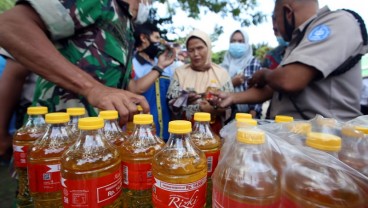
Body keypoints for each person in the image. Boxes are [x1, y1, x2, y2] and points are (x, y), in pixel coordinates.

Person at [0, 0, 174, 125]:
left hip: (94, 144)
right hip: (58, 136)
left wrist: (160, 66)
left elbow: (131, 88)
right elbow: (9, 25)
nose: (149, 4)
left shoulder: (126, 29)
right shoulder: (99, 3)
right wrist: (93, 88)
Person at [215, 0, 367, 121]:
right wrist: (232, 97)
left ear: (287, 12)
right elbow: (273, 88)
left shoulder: (337, 22)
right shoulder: (299, 42)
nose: (276, 27)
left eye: (276, 18)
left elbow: (289, 80)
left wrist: (264, 74)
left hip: (326, 143)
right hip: (295, 139)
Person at [167, 29, 234, 134]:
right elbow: (171, 106)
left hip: (214, 133)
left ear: (208, 48)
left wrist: (213, 109)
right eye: (191, 50)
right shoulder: (180, 72)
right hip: (185, 133)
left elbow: (230, 109)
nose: (196, 54)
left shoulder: (221, 74)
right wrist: (184, 100)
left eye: (200, 48)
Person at [132, 21, 174, 141]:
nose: (159, 43)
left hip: (166, 133)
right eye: (156, 38)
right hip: (141, 134)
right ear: (143, 38)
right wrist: (159, 67)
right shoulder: (132, 63)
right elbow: (136, 88)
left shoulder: (165, 64)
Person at [221, 29, 263, 118]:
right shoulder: (224, 65)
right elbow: (217, 90)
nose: (236, 44)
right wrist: (232, 83)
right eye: (233, 41)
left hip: (248, 115)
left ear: (246, 43)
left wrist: (252, 114)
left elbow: (258, 90)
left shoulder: (253, 63)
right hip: (226, 115)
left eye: (240, 41)